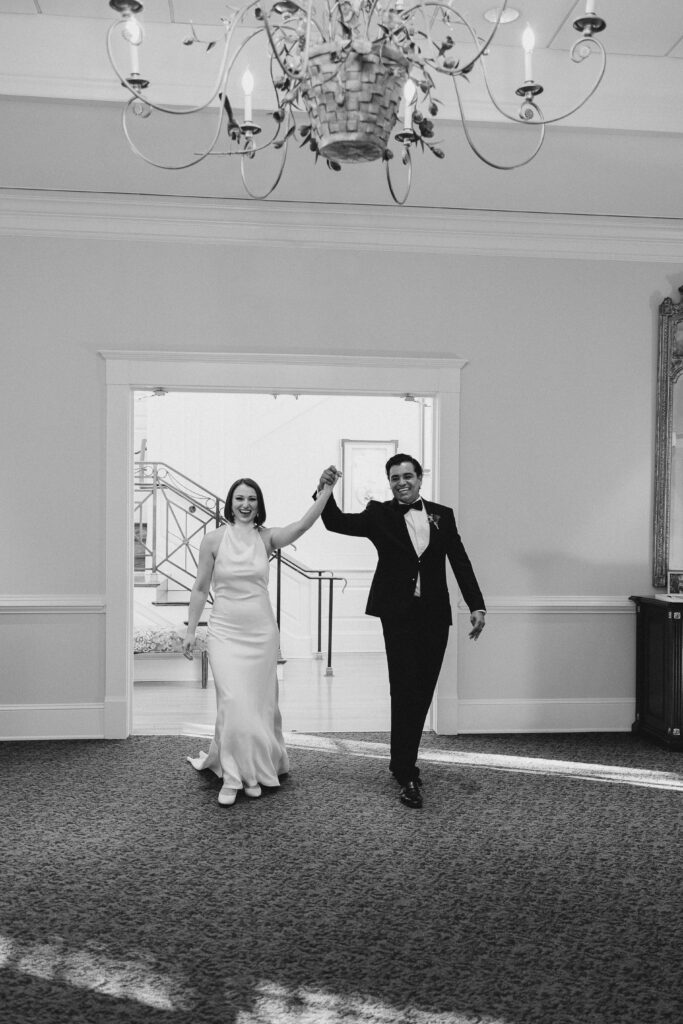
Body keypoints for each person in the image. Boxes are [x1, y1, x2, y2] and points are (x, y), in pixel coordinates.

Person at [317, 454, 485, 810]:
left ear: (420, 479)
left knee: (422, 690)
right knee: (405, 687)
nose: (401, 482)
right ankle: (406, 771)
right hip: (397, 615)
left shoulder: (443, 514)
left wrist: (476, 605)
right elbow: (334, 522)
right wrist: (325, 489)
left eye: (407, 476)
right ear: (389, 482)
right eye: (394, 478)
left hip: (435, 615)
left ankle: (400, 761)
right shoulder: (379, 514)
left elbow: (460, 560)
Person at [183, 471, 340, 806]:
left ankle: (254, 771)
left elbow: (300, 526)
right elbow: (199, 588)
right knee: (234, 702)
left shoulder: (266, 537)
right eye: (240, 498)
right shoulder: (213, 540)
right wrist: (190, 629)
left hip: (260, 633)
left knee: (256, 705)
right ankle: (235, 776)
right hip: (224, 631)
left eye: (252, 499)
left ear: (259, 505)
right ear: (230, 502)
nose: (245, 504)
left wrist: (325, 492)